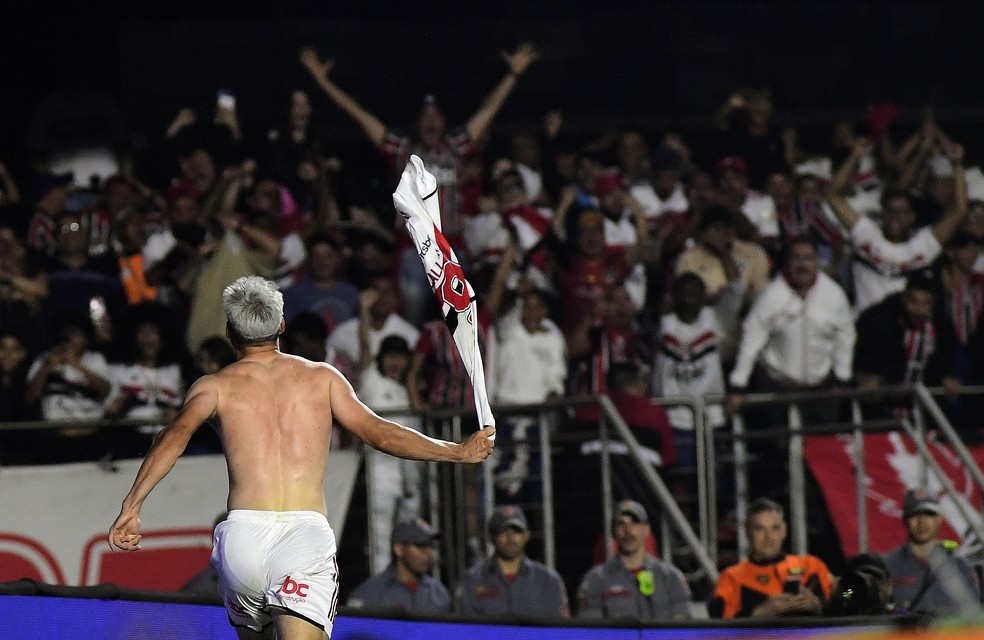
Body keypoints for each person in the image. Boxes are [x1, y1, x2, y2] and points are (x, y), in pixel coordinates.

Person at [108, 275, 495, 640]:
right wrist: (457, 452)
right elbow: (377, 432)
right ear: (281, 326)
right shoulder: (322, 377)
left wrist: (132, 505)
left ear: (229, 333)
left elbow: (173, 435)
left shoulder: (215, 386)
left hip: (243, 537)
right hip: (302, 536)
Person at [827, 137, 967, 313]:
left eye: (902, 212)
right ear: (883, 215)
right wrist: (855, 156)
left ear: (912, 217)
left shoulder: (923, 244)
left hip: (904, 332)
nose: (895, 217)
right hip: (864, 330)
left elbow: (960, 211)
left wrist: (957, 165)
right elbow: (833, 195)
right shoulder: (866, 234)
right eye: (891, 211)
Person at [708, 498, 832, 619]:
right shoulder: (732, 577)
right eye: (759, 529)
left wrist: (818, 605)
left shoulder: (812, 566)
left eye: (775, 528)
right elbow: (718, 623)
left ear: (784, 530)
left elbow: (847, 595)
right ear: (747, 532)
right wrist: (760, 612)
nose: (768, 537)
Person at [576, 499, 691, 621]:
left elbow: (682, 628)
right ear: (613, 532)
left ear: (647, 530)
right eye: (621, 524)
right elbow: (590, 630)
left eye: (634, 522)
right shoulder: (595, 579)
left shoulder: (671, 578)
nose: (628, 530)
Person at [454, 505, 569, 618]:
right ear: (490, 537)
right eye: (503, 532)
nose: (511, 538)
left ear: (526, 535)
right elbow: (462, 632)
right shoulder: (470, 581)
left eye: (517, 531)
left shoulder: (549, 581)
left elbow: (562, 631)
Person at [883, 489, 981, 616]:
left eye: (929, 514)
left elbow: (974, 614)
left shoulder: (961, 566)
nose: (922, 521)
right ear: (905, 519)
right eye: (915, 514)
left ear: (940, 518)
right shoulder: (887, 566)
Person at [347, 518, 451, 614]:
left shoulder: (439, 593)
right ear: (399, 549)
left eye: (430, 545)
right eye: (420, 545)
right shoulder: (369, 594)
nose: (428, 553)